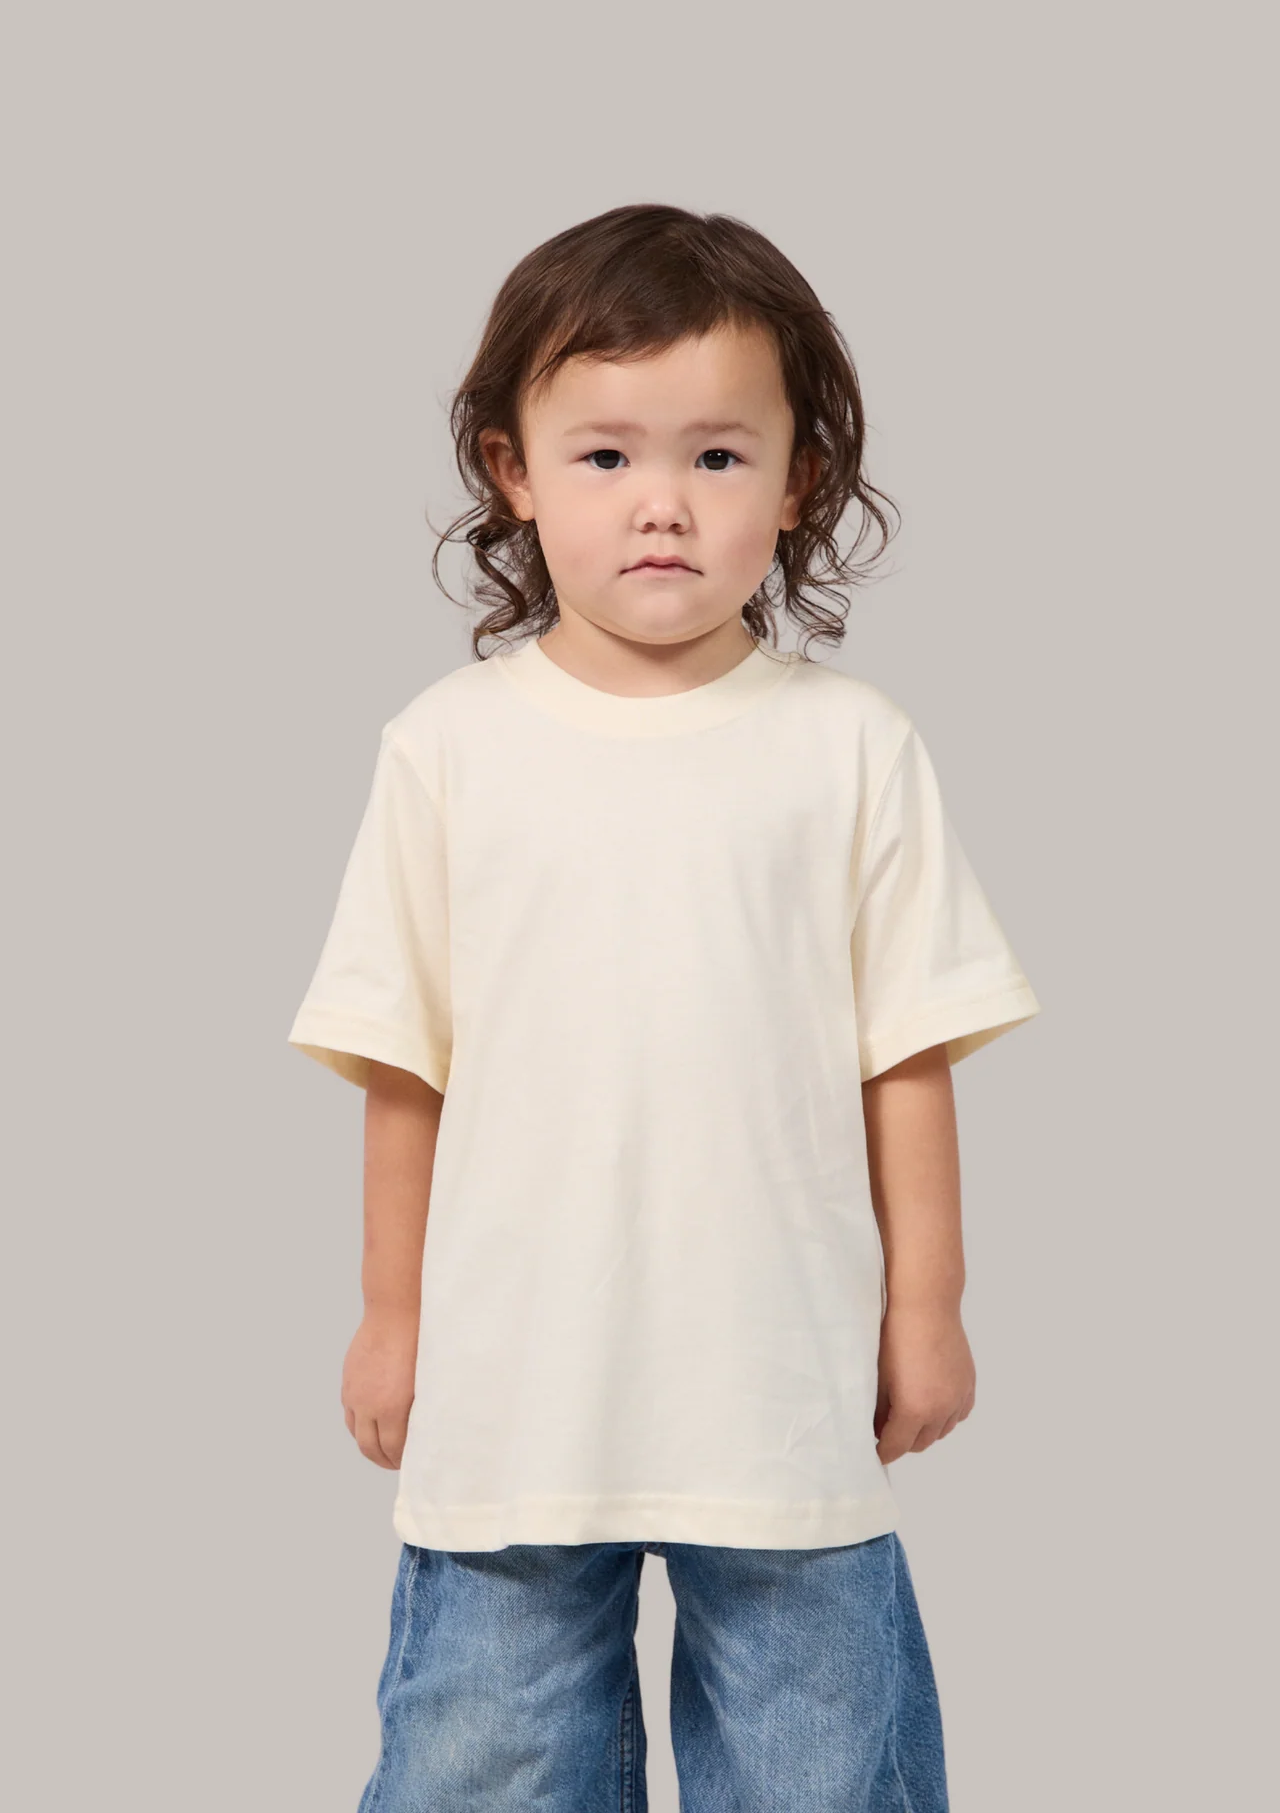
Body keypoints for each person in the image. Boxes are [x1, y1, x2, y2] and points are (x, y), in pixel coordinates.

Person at [287, 202, 1041, 1811]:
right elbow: (404, 1064)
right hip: (513, 1381)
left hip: (778, 1378)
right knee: (482, 1760)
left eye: (716, 456)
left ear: (800, 481)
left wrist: (928, 1307)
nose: (662, 505)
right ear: (513, 471)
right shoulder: (447, 749)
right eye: (605, 455)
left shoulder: (851, 749)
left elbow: (906, 1055)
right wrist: (391, 1314)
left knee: (816, 1770)